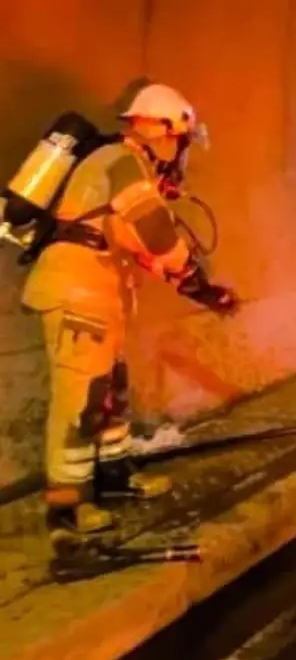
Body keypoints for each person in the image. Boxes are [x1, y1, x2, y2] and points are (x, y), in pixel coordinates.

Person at [21, 84, 239, 546]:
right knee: (80, 402)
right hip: (76, 296)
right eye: (181, 140)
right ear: (161, 130)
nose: (180, 153)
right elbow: (159, 236)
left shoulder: (125, 169)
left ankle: (114, 478)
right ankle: (67, 504)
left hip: (98, 299)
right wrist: (199, 282)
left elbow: (145, 250)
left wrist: (201, 291)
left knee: (109, 393)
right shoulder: (121, 165)